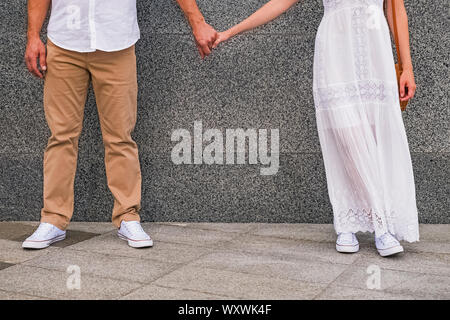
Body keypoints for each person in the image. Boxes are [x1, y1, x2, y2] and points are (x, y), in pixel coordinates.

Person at [213, 0, 419, 256]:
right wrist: (230, 32)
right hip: (335, 51)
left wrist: (406, 66)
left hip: (375, 51)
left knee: (378, 138)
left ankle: (366, 223)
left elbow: (395, 8)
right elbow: (280, 2)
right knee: (346, 134)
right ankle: (365, 223)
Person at [22, 0, 216, 249]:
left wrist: (197, 23)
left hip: (117, 41)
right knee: (61, 136)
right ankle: (53, 219)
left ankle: (128, 216)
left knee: (120, 136)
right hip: (64, 42)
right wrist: (33, 36)